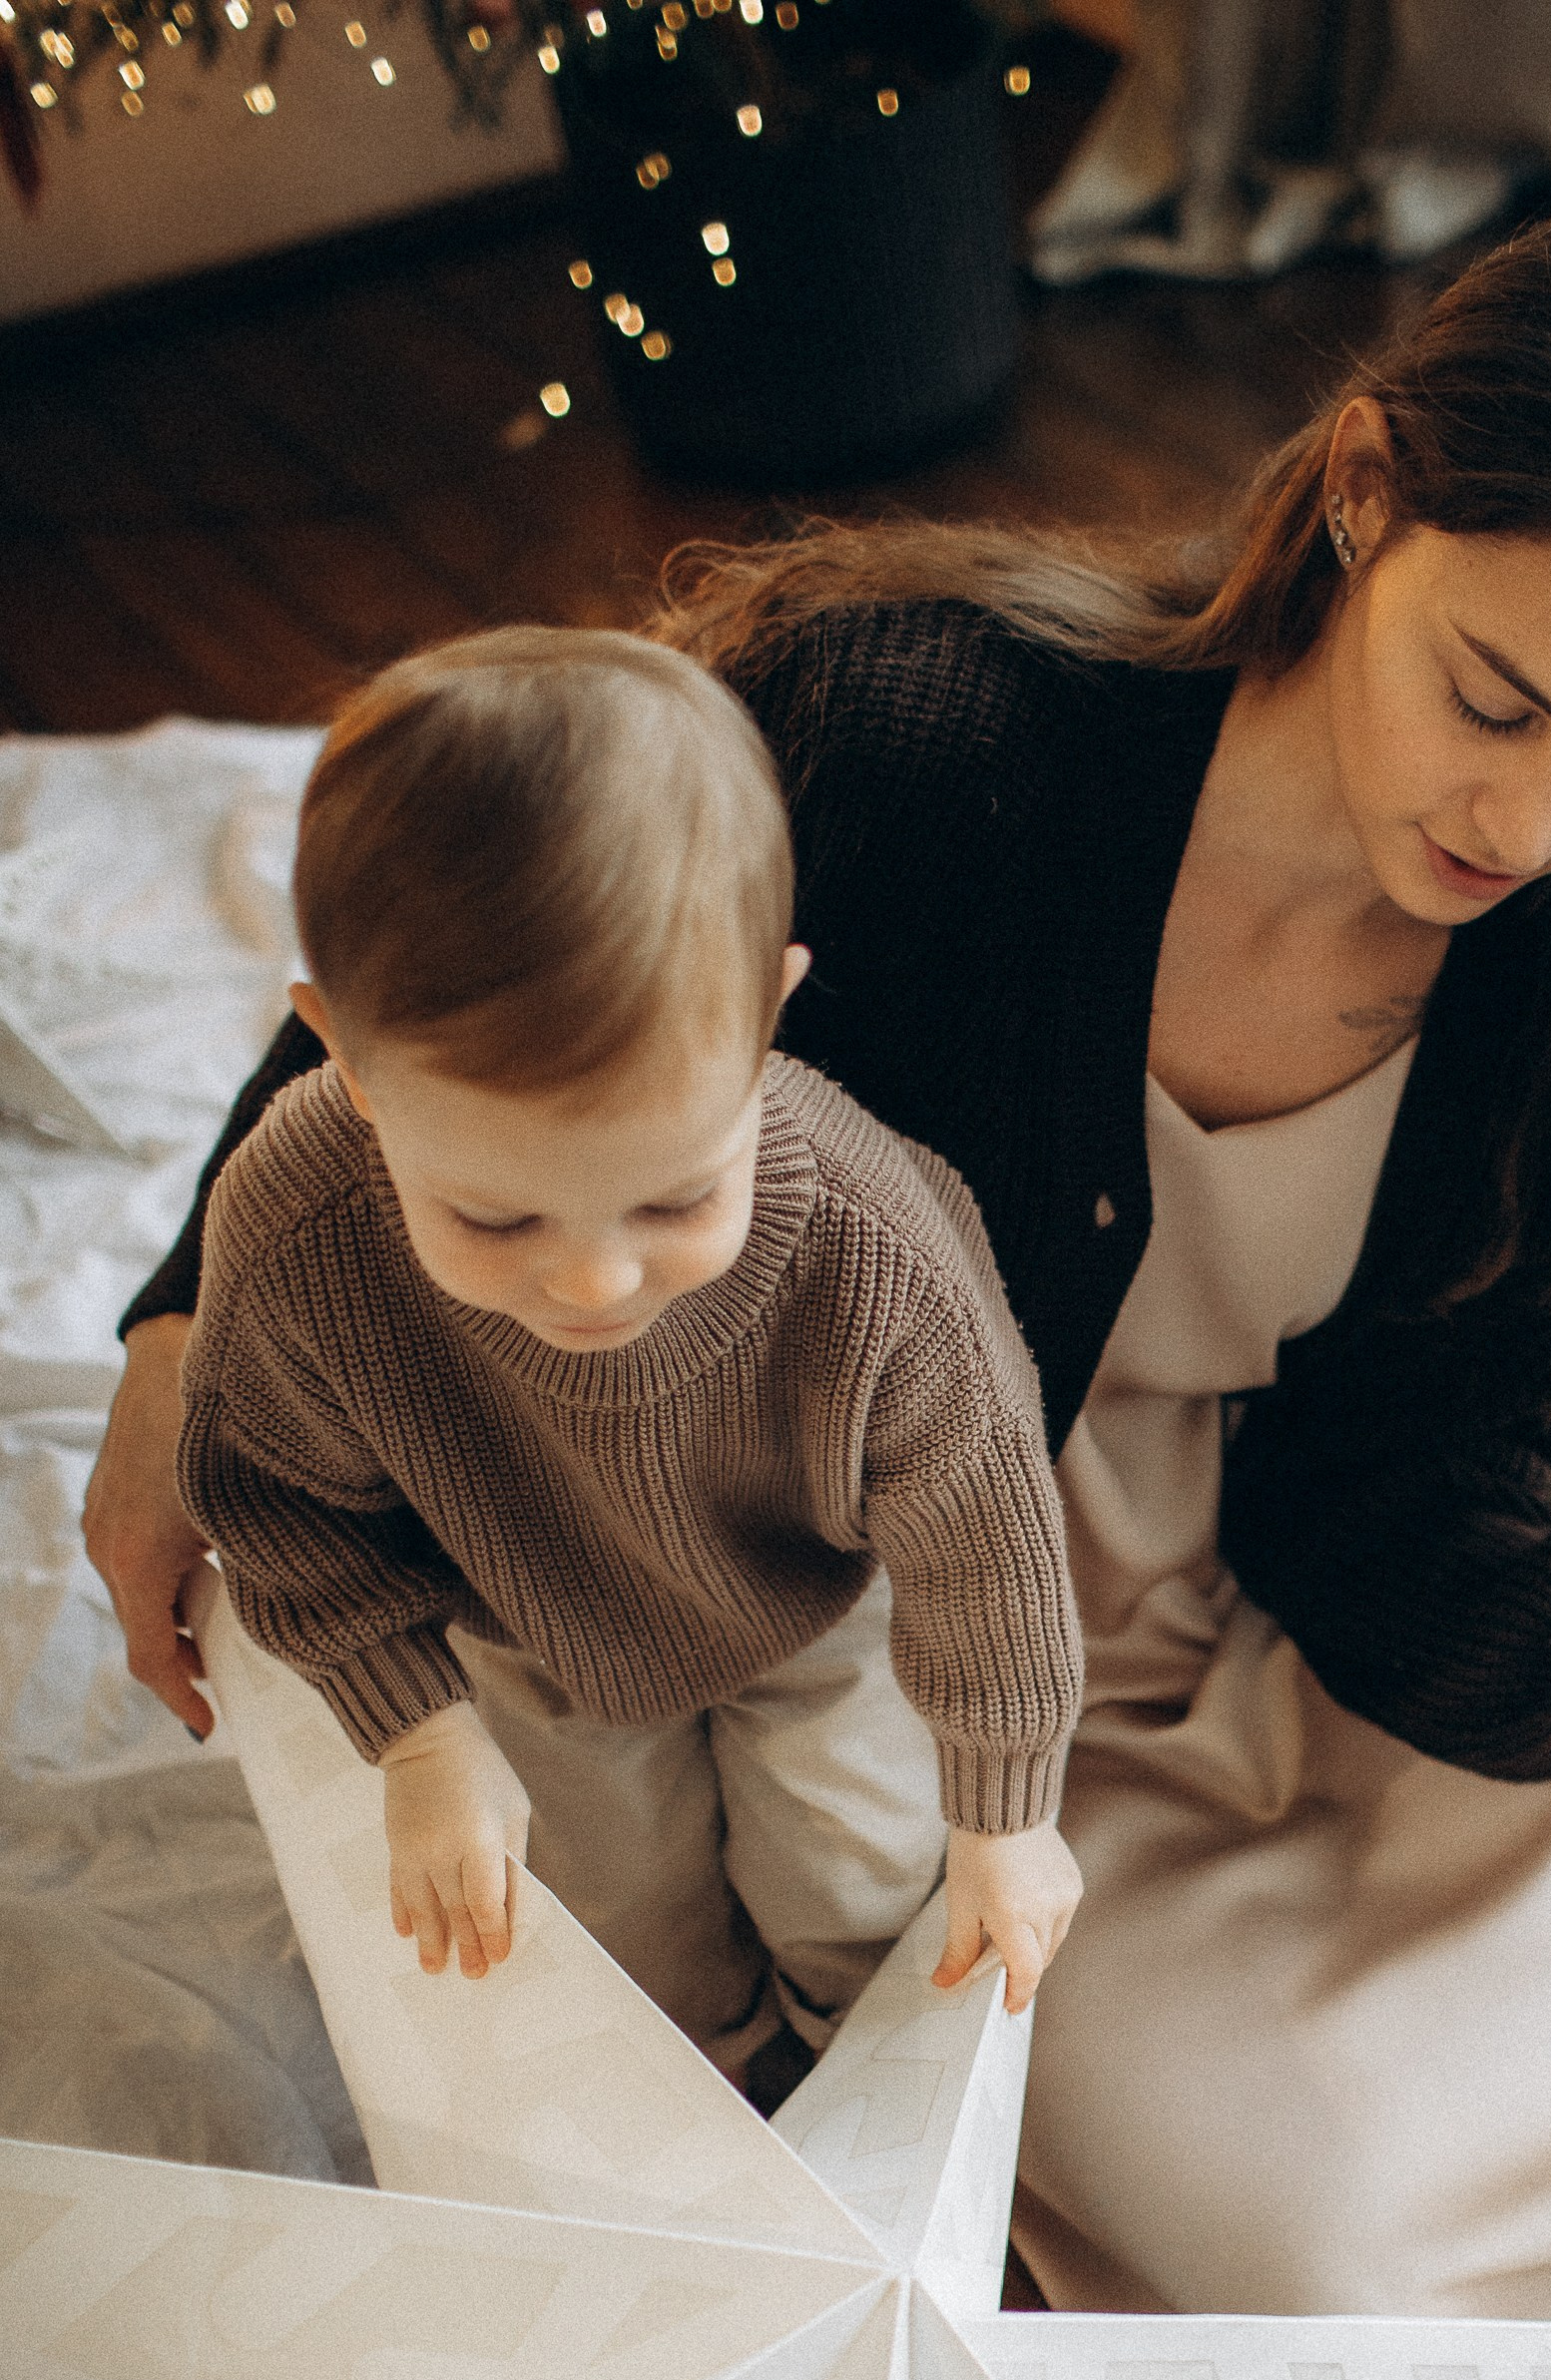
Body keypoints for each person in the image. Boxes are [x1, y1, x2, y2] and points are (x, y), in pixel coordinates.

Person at [91, 194, 1551, 2380]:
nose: (1525, 830)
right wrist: (173, 1338)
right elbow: (463, 985)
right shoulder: (918, 732)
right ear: (1367, 491)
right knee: (1259, 2254)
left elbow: (1396, 1488)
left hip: (1241, 1597)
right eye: (1496, 698)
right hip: (845, 1579)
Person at [170, 628, 1084, 2075]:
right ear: (343, 1057)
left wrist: (1007, 1812)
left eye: (674, 1200)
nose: (593, 1280)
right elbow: (275, 1510)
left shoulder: (871, 1241)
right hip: (525, 1625)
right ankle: (723, 2087)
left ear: (768, 1015)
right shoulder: (295, 1235)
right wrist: (422, 1737)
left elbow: (984, 1526)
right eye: (494, 1215)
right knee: (620, 1937)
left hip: (817, 1603)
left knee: (866, 1891)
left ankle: (856, 2093)